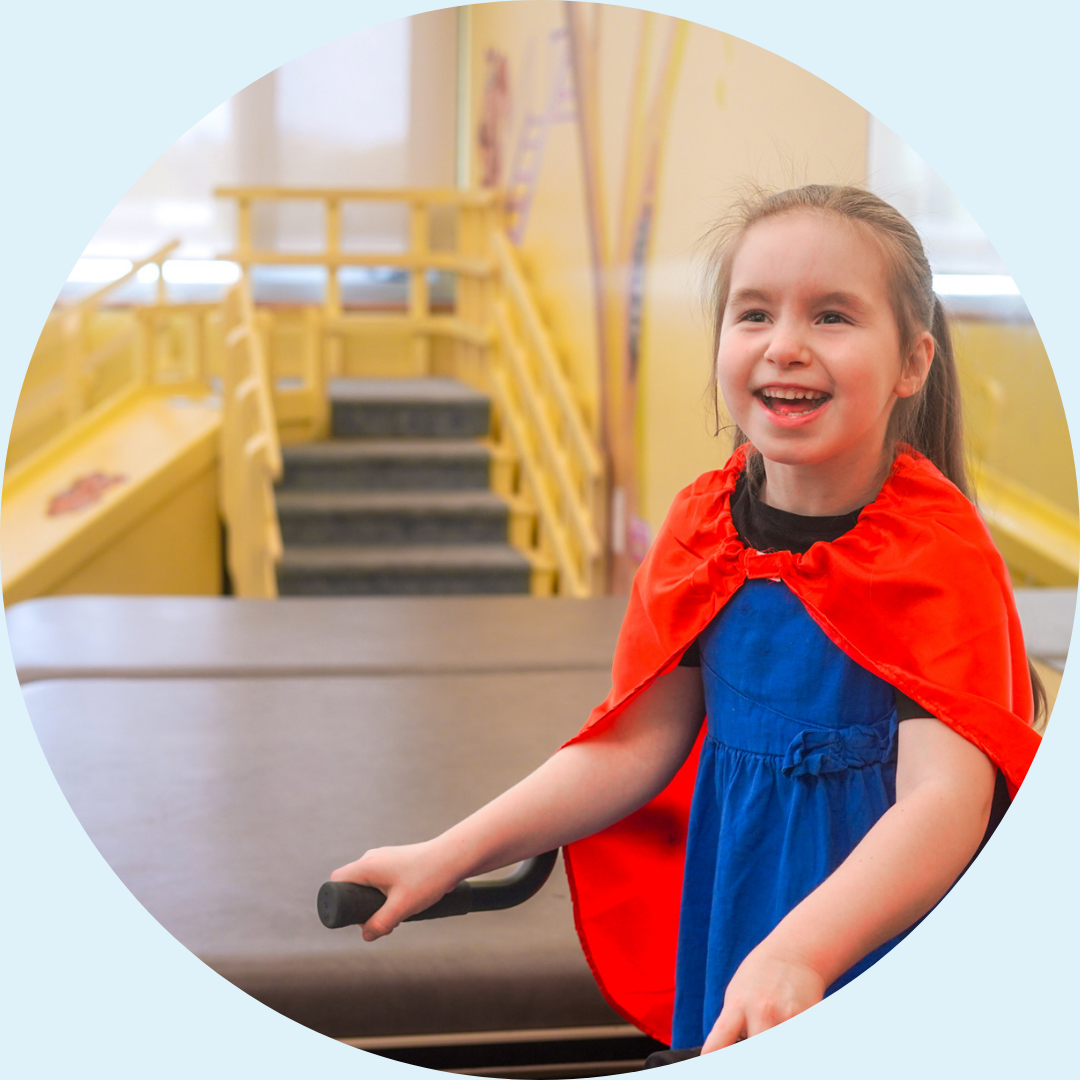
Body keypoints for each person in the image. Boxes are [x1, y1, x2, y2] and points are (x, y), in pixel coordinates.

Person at [330, 184, 1043, 1055]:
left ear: (912, 362)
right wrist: (448, 852)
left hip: (878, 920)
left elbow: (945, 803)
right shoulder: (704, 528)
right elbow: (632, 745)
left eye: (831, 316)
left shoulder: (933, 551)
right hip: (744, 902)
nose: (785, 345)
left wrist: (803, 952)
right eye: (754, 314)